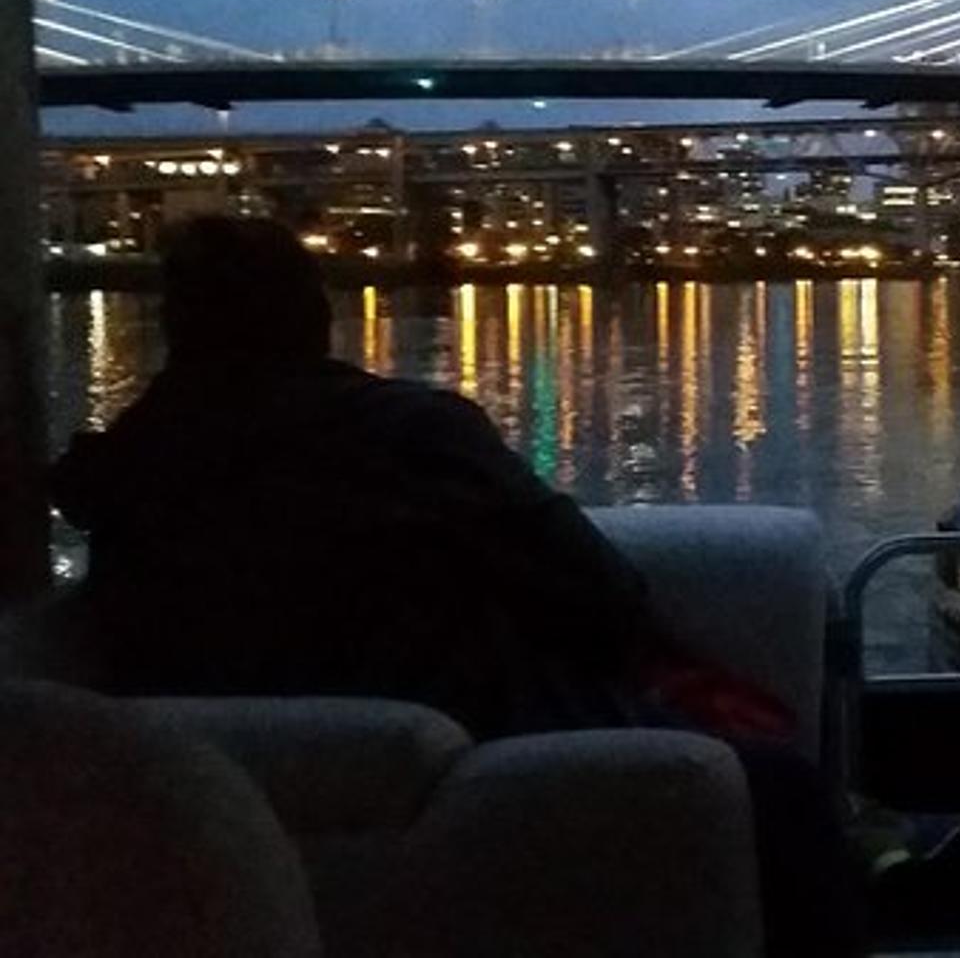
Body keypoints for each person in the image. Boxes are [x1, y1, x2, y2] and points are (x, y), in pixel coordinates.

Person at [52, 215, 862, 957]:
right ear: (312, 315)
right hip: (472, 721)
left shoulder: (129, 465)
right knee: (783, 791)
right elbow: (596, 586)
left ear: (177, 326)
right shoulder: (411, 432)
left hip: (218, 761)